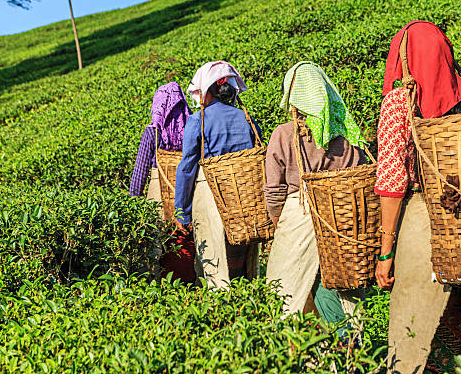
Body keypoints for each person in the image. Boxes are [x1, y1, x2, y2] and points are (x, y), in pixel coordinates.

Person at [374, 20, 461, 373]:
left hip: (423, 225)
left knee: (413, 329)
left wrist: (386, 252)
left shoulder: (399, 104)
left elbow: (392, 181)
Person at [264, 61, 366, 337]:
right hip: (343, 213)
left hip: (301, 212)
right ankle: (349, 349)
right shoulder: (345, 130)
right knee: (336, 284)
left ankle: (295, 353)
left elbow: (274, 188)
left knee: (285, 290)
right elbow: (362, 171)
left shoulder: (284, 133)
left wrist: (277, 221)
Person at [174, 61, 261, 288]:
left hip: (211, 194)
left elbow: (187, 168)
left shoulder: (197, 121)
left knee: (214, 257)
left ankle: (220, 309)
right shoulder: (246, 118)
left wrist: (182, 212)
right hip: (244, 194)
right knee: (240, 256)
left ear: (206, 91)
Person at [129, 81, 196, 283]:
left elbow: (139, 172)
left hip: (158, 192)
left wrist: (133, 200)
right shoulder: (193, 127)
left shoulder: (153, 132)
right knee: (185, 237)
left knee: (158, 240)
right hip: (187, 191)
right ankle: (188, 280)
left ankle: (160, 283)